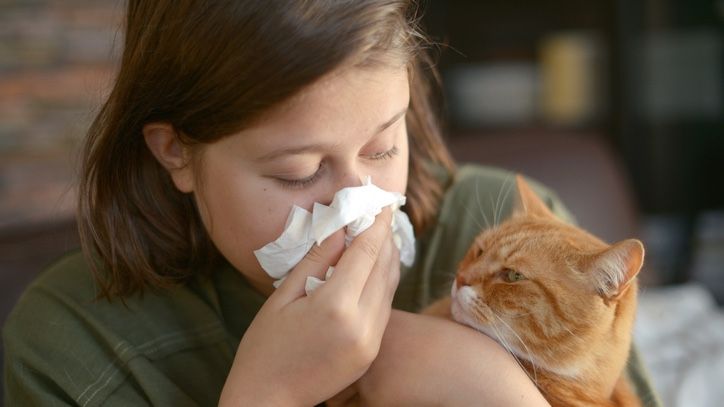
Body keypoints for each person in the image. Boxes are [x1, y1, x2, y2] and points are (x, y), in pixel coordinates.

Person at [3, 1, 660, 406]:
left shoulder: (504, 224)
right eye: (297, 171)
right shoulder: (72, 345)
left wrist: (496, 392)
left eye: (381, 148)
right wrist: (268, 395)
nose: (362, 203)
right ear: (175, 151)